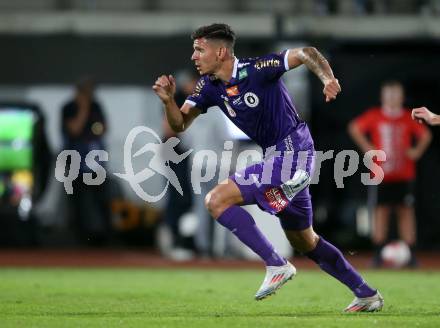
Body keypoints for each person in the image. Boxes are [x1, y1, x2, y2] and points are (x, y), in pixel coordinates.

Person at [152, 23, 383, 312]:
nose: (194, 56)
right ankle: (366, 293)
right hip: (277, 158)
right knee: (306, 242)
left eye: (200, 49)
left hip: (294, 147)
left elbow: (307, 52)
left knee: (217, 200)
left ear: (221, 51)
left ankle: (276, 262)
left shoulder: (258, 68)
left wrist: (327, 78)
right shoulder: (208, 87)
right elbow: (179, 124)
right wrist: (167, 102)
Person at [348, 81, 432, 267]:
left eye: (396, 95)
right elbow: (355, 128)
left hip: (404, 173)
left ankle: (410, 253)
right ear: (383, 97)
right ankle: (378, 252)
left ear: (401, 97)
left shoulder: (408, 117)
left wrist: (416, 151)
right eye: (389, 95)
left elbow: (425, 135)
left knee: (406, 212)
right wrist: (368, 148)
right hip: (381, 173)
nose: (393, 98)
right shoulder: (375, 116)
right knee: (381, 211)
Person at [61, 78, 111, 246]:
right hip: (75, 161)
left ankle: (103, 238)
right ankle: (79, 239)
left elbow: (103, 128)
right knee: (77, 201)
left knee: (100, 199)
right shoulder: (69, 108)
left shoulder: (96, 106)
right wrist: (83, 108)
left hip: (95, 161)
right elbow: (74, 129)